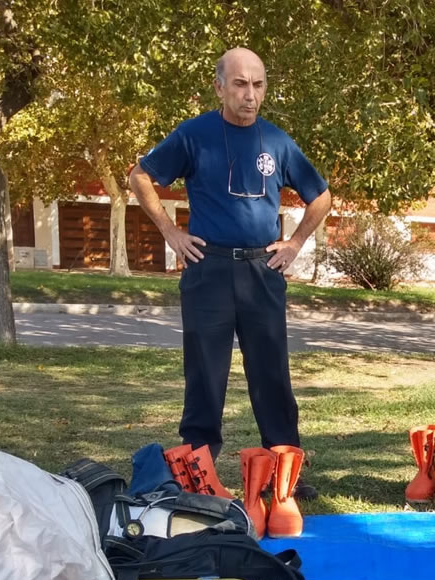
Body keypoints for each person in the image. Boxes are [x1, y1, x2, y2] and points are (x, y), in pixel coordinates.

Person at [128, 47, 331, 498]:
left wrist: (295, 242)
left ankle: (284, 472)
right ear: (220, 86)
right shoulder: (194, 135)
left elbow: (321, 195)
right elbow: (140, 176)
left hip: (263, 268)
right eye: (240, 84)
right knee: (204, 372)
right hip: (209, 268)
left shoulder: (277, 141)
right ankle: (197, 471)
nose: (250, 95)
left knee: (271, 372)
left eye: (258, 85)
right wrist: (170, 232)